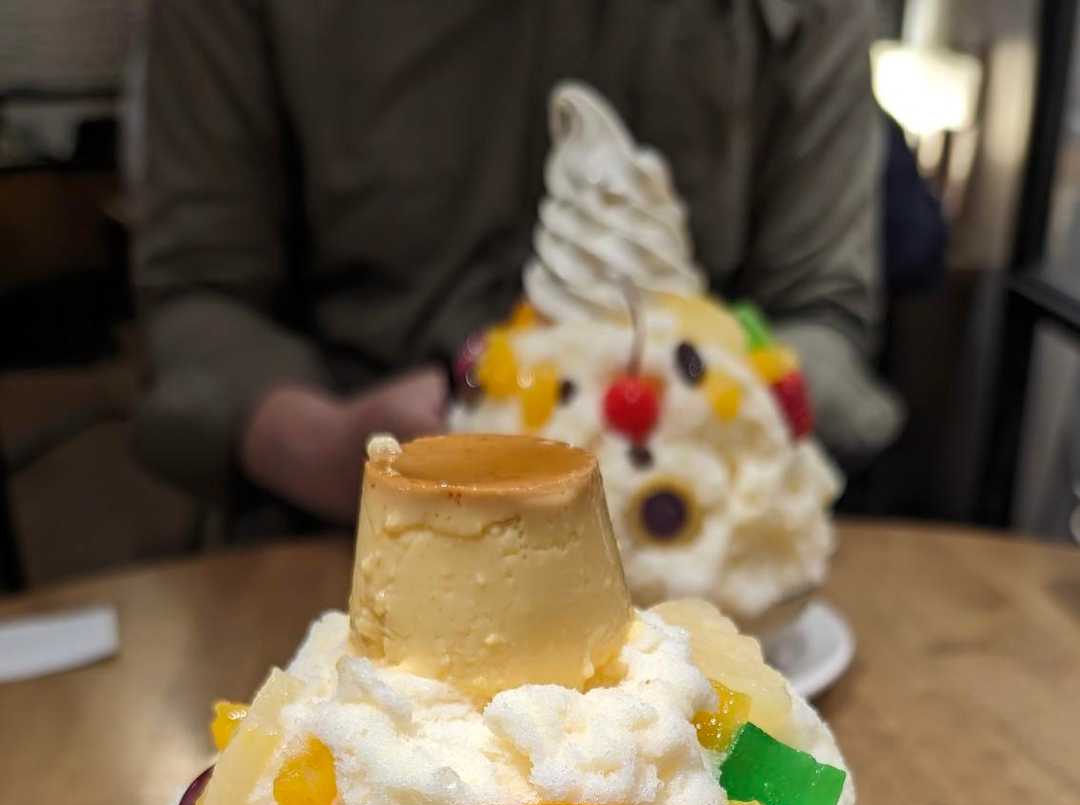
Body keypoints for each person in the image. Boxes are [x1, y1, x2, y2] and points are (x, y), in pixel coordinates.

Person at [133, 0, 901, 526]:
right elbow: (201, 291)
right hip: (346, 536)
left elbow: (820, 309)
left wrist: (719, 419)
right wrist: (321, 444)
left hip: (696, 540)